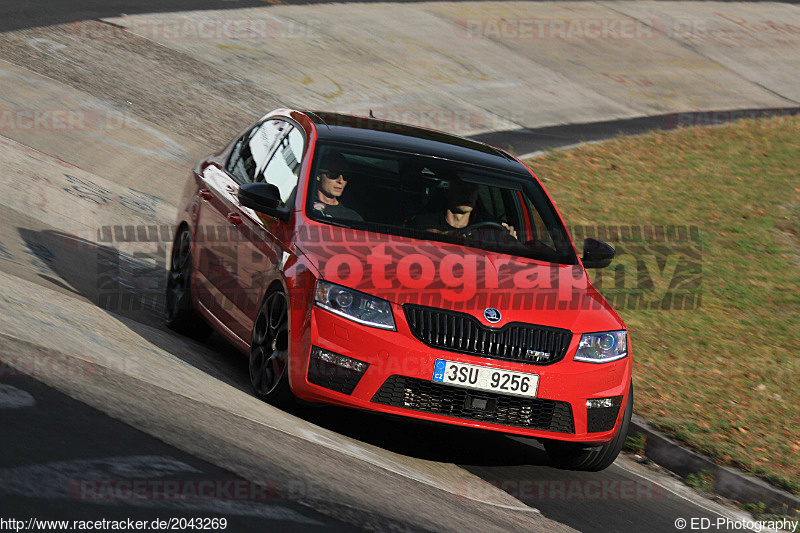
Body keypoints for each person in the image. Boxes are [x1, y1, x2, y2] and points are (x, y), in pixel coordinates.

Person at [411, 176, 515, 237]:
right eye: (462, 189)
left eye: (473, 190)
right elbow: (428, 234)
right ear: (448, 192)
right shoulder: (425, 219)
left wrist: (509, 237)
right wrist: (455, 234)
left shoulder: (488, 225)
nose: (468, 195)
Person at [311, 152, 363, 222]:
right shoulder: (303, 205)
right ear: (318, 175)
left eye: (345, 176)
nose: (341, 181)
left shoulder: (352, 218)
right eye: (333, 174)